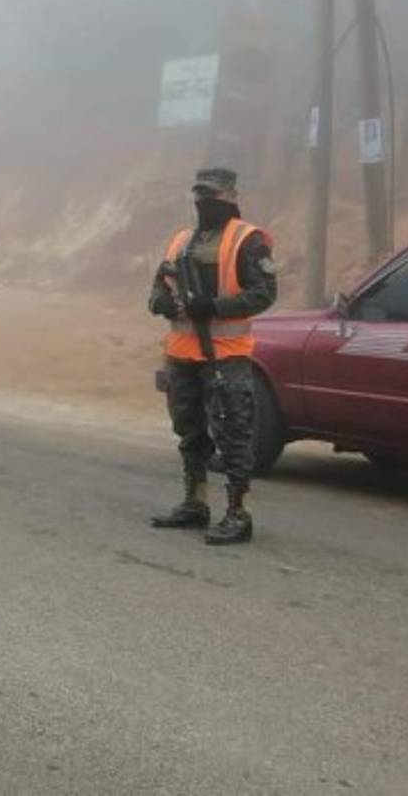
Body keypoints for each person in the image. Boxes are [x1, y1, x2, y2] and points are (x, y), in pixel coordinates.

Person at [148, 168, 277, 546]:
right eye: (200, 195)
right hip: (182, 355)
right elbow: (160, 284)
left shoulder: (248, 240)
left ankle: (239, 513)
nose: (205, 202)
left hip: (225, 356)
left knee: (233, 435)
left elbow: (264, 293)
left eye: (213, 195)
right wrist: (161, 302)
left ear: (231, 197)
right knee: (189, 432)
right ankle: (195, 503)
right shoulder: (182, 241)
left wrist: (215, 306)